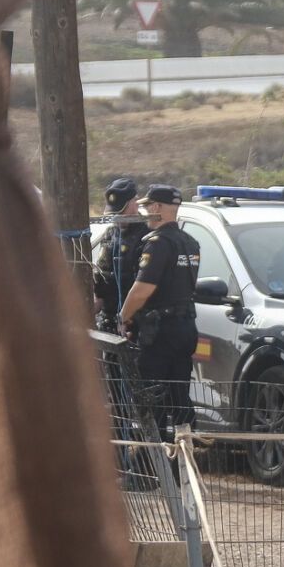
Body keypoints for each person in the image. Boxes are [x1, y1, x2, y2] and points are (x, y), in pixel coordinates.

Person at [117, 184, 200, 434]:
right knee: (180, 399)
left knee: (153, 403)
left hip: (159, 334)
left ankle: (155, 466)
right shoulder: (190, 243)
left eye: (146, 207)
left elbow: (143, 290)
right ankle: (182, 465)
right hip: (185, 328)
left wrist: (123, 317)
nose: (144, 213)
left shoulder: (158, 243)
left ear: (156, 207)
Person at [90, 176, 147, 330]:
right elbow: (102, 282)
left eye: (121, 211)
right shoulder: (110, 234)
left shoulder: (149, 235)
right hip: (109, 321)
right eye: (114, 212)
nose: (117, 217)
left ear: (134, 203)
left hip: (136, 325)